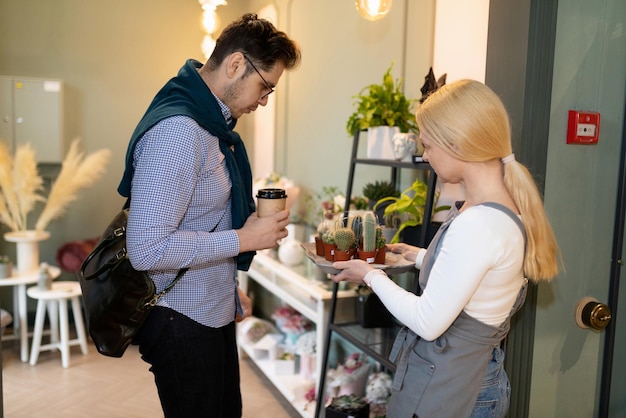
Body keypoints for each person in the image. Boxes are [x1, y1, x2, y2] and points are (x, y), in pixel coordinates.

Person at [332, 79, 560, 418]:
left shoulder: (479, 224)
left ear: (457, 143)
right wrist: (419, 256)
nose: (425, 156)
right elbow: (480, 281)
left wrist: (370, 275)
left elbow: (427, 322)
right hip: (474, 379)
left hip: (459, 390)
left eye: (428, 145)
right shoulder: (498, 208)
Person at [116, 14, 301, 418]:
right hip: (179, 316)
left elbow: (201, 221)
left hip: (205, 306)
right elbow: (147, 248)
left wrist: (225, 287)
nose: (265, 100)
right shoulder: (180, 130)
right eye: (265, 86)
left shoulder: (211, 124)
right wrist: (245, 239)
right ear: (236, 65)